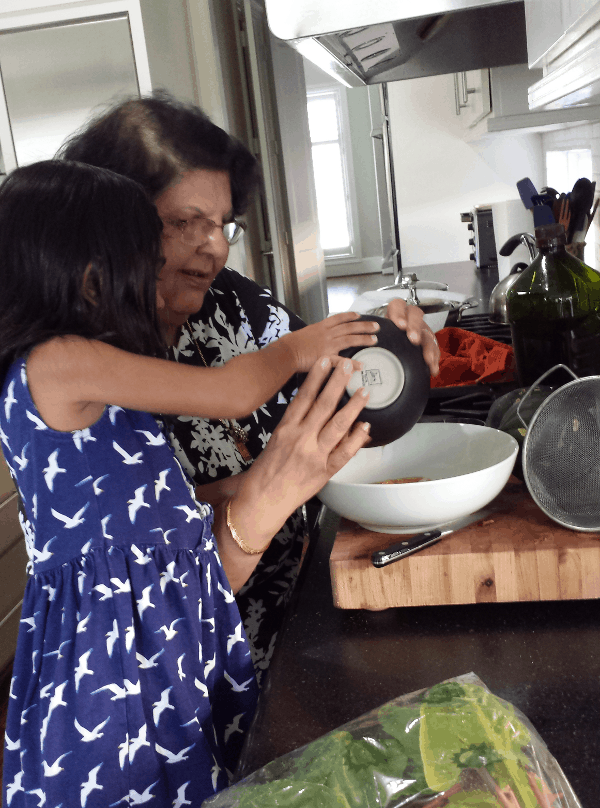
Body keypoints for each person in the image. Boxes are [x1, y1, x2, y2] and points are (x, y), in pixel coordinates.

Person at [0, 160, 373, 807]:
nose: (155, 282)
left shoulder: (73, 377)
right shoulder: (63, 361)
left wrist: (236, 488)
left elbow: (134, 512)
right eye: (145, 263)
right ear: (93, 278)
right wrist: (299, 346)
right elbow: (230, 394)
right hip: (115, 669)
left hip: (144, 645)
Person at [59, 92, 441, 684]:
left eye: (223, 224)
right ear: (114, 226)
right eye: (185, 223)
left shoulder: (238, 306)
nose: (212, 246)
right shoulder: (83, 374)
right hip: (180, 680)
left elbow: (338, 408)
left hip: (302, 622)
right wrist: (258, 493)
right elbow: (144, 594)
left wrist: (394, 356)